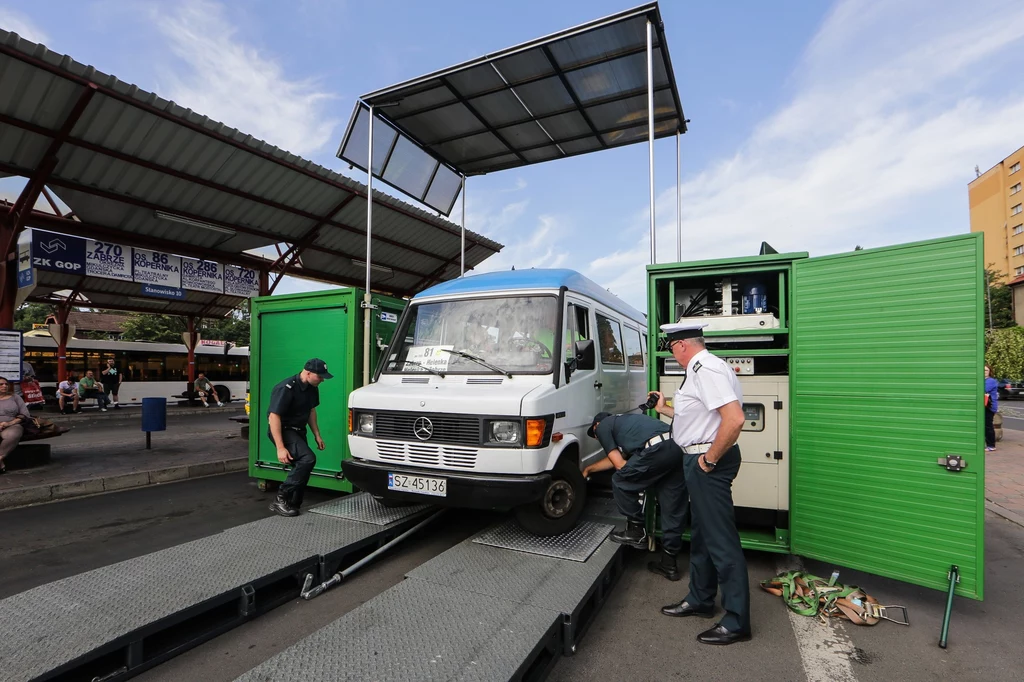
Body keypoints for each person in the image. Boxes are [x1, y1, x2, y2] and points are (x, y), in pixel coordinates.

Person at [653, 320, 751, 646]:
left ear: (681, 345)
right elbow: (695, 419)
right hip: (696, 458)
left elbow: (735, 419)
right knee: (703, 536)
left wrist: (708, 460)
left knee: (721, 541)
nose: (672, 352)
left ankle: (737, 621)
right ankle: (700, 599)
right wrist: (663, 408)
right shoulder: (702, 369)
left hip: (707, 462)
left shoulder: (706, 369)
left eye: (671, 347)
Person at [584, 409, 688, 581]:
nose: (597, 438)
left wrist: (635, 476)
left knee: (620, 481)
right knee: (672, 506)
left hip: (657, 449)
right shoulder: (629, 424)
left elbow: (619, 466)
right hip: (676, 448)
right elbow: (617, 458)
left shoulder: (603, 427)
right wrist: (588, 469)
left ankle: (636, 532)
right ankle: (669, 564)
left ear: (596, 425)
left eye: (594, 435)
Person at [267, 358, 332, 517]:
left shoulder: (312, 387)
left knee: (302, 466)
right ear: (308, 373)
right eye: (320, 376)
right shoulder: (286, 388)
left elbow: (311, 411)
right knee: (307, 459)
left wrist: (317, 434)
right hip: (283, 430)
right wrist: (280, 447)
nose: (322, 380)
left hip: (298, 431)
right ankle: (281, 497)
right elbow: (274, 417)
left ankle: (293, 502)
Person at [0, 376, 31, 474]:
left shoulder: (15, 397)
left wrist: (10, 423)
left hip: (12, 424)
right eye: (1, 384)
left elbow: (25, 414)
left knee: (12, 435)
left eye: (6, 384)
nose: (4, 386)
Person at [984, 365, 998, 452]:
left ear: (990, 372)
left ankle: (991, 445)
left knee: (988, 425)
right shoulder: (983, 380)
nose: (984, 372)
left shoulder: (991, 381)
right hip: (984, 406)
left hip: (989, 407)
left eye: (986, 370)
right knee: (985, 425)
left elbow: (984, 389)